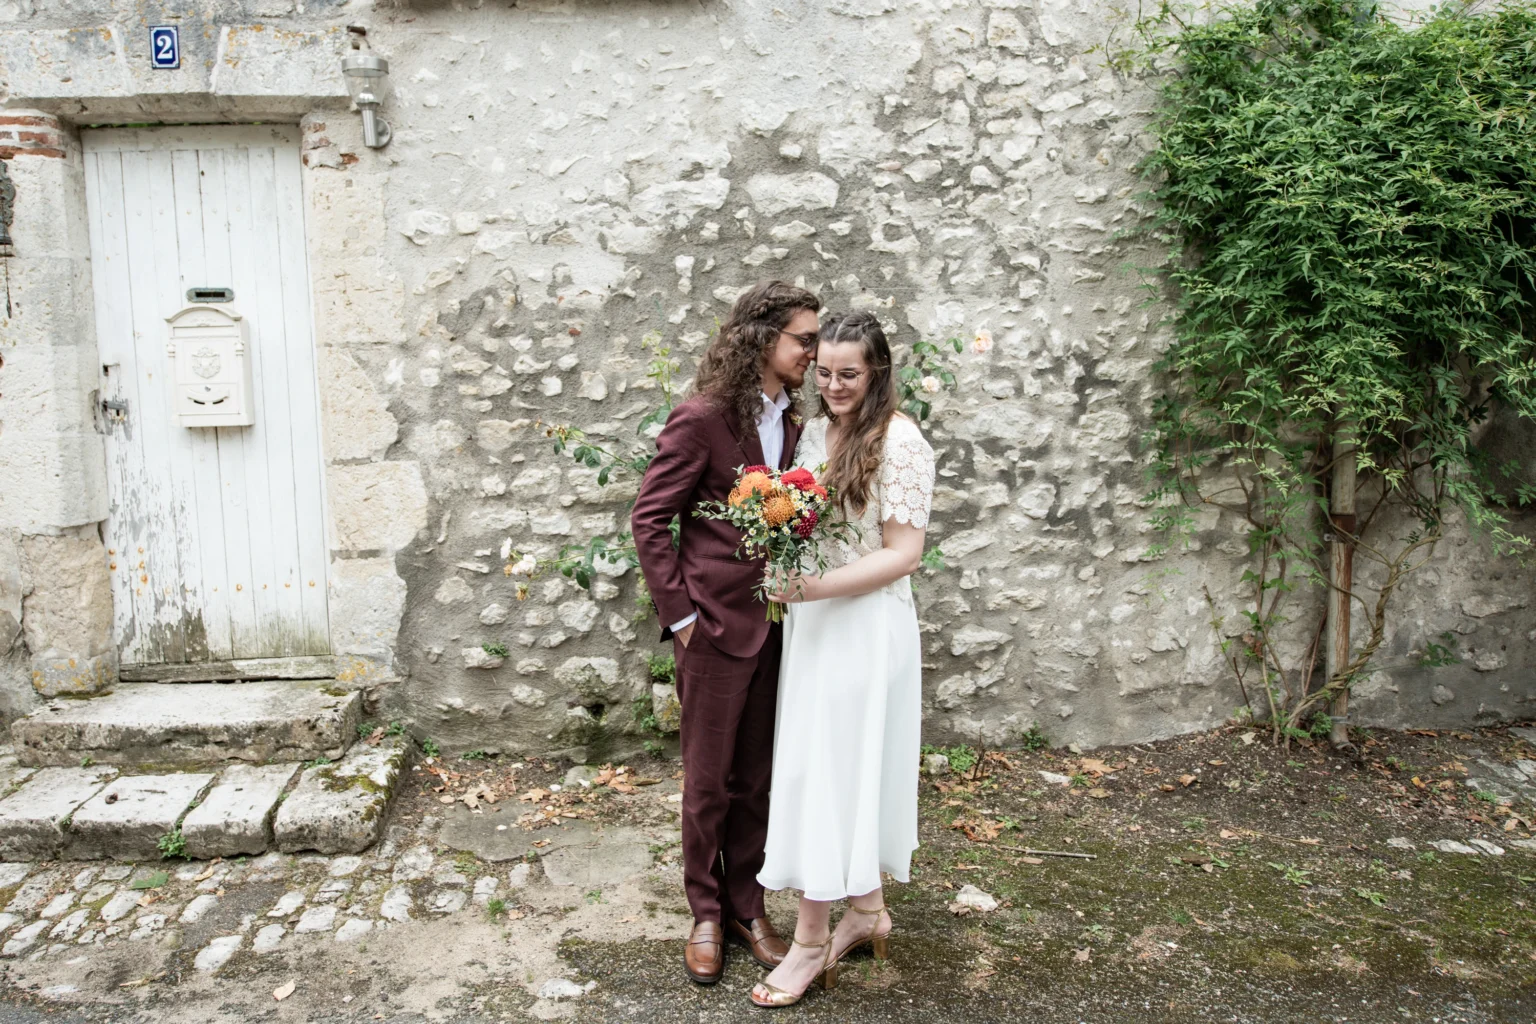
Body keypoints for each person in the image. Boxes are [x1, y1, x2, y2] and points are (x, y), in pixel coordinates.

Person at [630, 280, 823, 985]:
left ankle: (748, 904)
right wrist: (681, 618)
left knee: (757, 780)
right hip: (711, 627)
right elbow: (651, 519)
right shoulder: (703, 418)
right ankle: (704, 912)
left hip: (781, 627)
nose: (813, 350)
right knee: (708, 783)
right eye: (803, 338)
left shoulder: (799, 426)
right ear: (760, 339)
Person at [749, 311, 936, 1008]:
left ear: (878, 372)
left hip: (864, 628)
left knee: (830, 774)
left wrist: (814, 586)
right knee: (819, 766)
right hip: (815, 624)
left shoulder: (903, 443)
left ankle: (808, 942)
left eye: (848, 374)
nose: (831, 385)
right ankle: (867, 911)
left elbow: (903, 553)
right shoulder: (820, 432)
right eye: (823, 372)